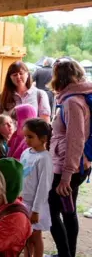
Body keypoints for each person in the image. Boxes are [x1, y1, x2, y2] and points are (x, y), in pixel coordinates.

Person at [48, 58, 92, 257]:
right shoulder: (80, 96)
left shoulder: (72, 102)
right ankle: (68, 254)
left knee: (51, 211)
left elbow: (76, 139)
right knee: (68, 210)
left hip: (69, 168)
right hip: (78, 165)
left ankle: (65, 254)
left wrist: (66, 176)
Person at [20, 118, 53, 257]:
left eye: (30, 136)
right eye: (25, 136)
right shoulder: (26, 153)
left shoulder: (44, 158)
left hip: (35, 206)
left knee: (35, 236)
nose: (26, 140)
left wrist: (36, 210)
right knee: (26, 236)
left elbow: (43, 186)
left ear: (43, 138)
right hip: (24, 202)